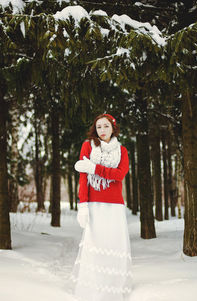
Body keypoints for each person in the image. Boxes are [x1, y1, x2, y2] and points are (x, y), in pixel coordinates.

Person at [68, 113, 133, 301]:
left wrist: (94, 168)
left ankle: (113, 286)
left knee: (113, 245)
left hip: (114, 207)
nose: (102, 131)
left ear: (113, 127)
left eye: (106, 126)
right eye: (98, 127)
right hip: (94, 205)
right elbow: (83, 177)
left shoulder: (122, 150)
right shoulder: (88, 146)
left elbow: (119, 175)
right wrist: (83, 205)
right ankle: (93, 287)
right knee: (94, 246)